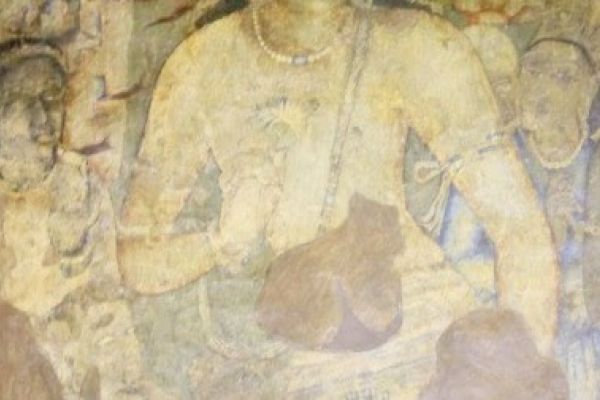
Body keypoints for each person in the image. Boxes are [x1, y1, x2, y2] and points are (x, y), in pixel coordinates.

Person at [118, 0, 559, 396]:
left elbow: (520, 232)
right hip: (292, 357)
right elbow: (136, 258)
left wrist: (517, 380)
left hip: (419, 349)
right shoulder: (201, 63)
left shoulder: (415, 45)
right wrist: (221, 241)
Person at [0, 41, 149, 400]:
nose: (44, 118)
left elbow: (105, 298)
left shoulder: (80, 186)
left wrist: (124, 384)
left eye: (52, 99)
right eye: (24, 101)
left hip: (69, 367)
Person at [516, 37, 600, 400]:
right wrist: (544, 231)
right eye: (533, 72)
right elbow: (462, 262)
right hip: (522, 346)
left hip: (588, 345)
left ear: (588, 88)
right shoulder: (501, 164)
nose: (543, 88)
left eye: (563, 77)